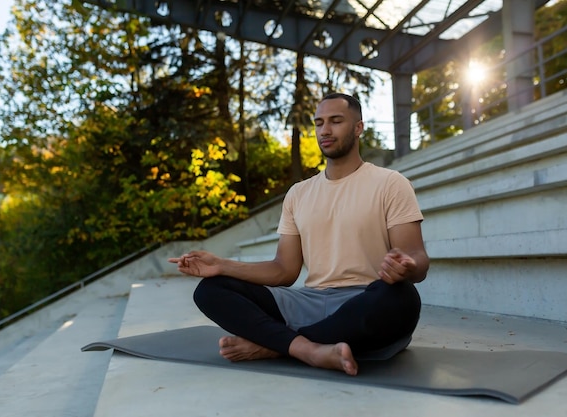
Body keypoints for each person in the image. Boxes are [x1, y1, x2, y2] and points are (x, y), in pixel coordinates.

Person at [169, 92, 429, 376]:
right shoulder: (298, 193)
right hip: (309, 301)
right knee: (211, 290)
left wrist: (407, 267)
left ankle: (276, 345)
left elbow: (417, 258)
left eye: (336, 121)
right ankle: (309, 349)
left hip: (365, 300)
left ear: (358, 128)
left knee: (403, 298)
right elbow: (284, 270)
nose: (325, 131)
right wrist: (222, 265)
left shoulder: (391, 184)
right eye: (319, 123)